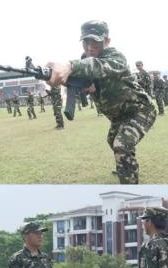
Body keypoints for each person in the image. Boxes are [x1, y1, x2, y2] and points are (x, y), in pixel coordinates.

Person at [46, 21, 156, 184]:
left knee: (122, 144)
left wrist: (69, 66)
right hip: (118, 116)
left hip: (140, 111)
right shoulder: (85, 61)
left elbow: (97, 67)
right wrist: (56, 78)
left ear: (107, 41)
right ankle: (125, 164)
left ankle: (130, 186)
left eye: (95, 42)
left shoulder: (116, 58)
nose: (90, 47)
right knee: (112, 141)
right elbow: (84, 77)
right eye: (86, 42)